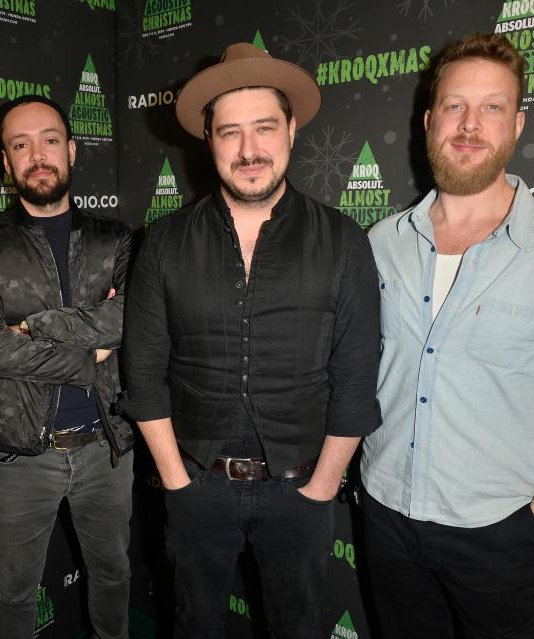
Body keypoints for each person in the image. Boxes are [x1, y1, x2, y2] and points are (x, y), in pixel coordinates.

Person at [360, 33, 534, 638]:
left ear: (518, 123)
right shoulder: (381, 244)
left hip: (500, 532)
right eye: (455, 106)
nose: (470, 124)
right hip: (384, 516)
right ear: (430, 121)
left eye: (492, 107)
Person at [122, 43, 381, 638]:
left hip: (302, 491)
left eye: (264, 128)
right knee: (195, 627)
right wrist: (176, 482)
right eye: (229, 132)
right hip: (195, 486)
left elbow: (357, 377)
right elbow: (144, 371)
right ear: (207, 139)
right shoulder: (164, 242)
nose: (248, 151)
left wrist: (322, 490)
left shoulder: (343, 242)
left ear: (290, 129)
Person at [0, 95, 134, 639]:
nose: (38, 154)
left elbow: (130, 318)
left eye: (50, 140)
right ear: (5, 162)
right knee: (13, 592)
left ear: (72, 150)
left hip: (108, 448)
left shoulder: (116, 239)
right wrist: (89, 351)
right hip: (20, 456)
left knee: (114, 578)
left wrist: (36, 325)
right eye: (20, 144)